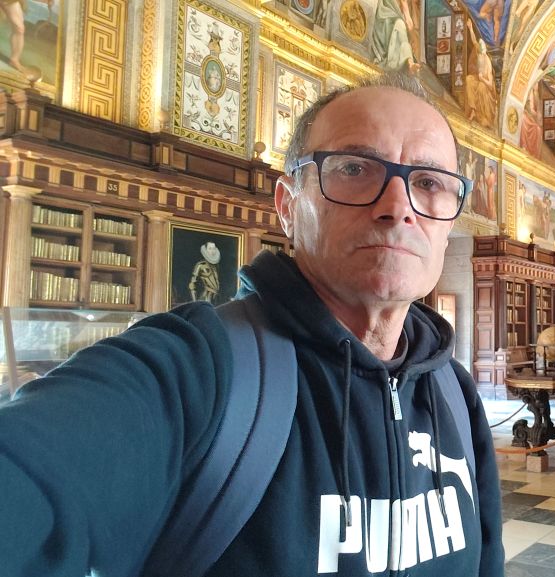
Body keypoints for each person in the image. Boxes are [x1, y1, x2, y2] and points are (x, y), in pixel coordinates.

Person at [0, 73, 504, 576]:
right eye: (354, 169)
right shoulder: (200, 373)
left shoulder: (455, 397)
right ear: (288, 207)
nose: (397, 208)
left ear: (450, 222)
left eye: (430, 183)